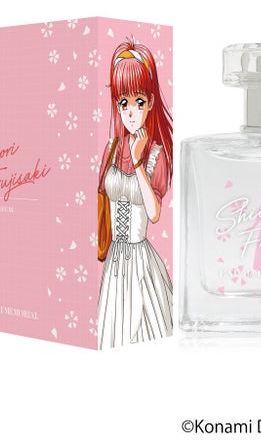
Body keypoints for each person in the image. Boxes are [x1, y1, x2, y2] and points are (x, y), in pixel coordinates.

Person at [97, 38, 173, 348]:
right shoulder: (111, 149)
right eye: (123, 103)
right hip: (114, 260)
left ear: (151, 102)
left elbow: (154, 214)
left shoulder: (156, 155)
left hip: (140, 260)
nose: (131, 112)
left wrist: (139, 162)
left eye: (139, 102)